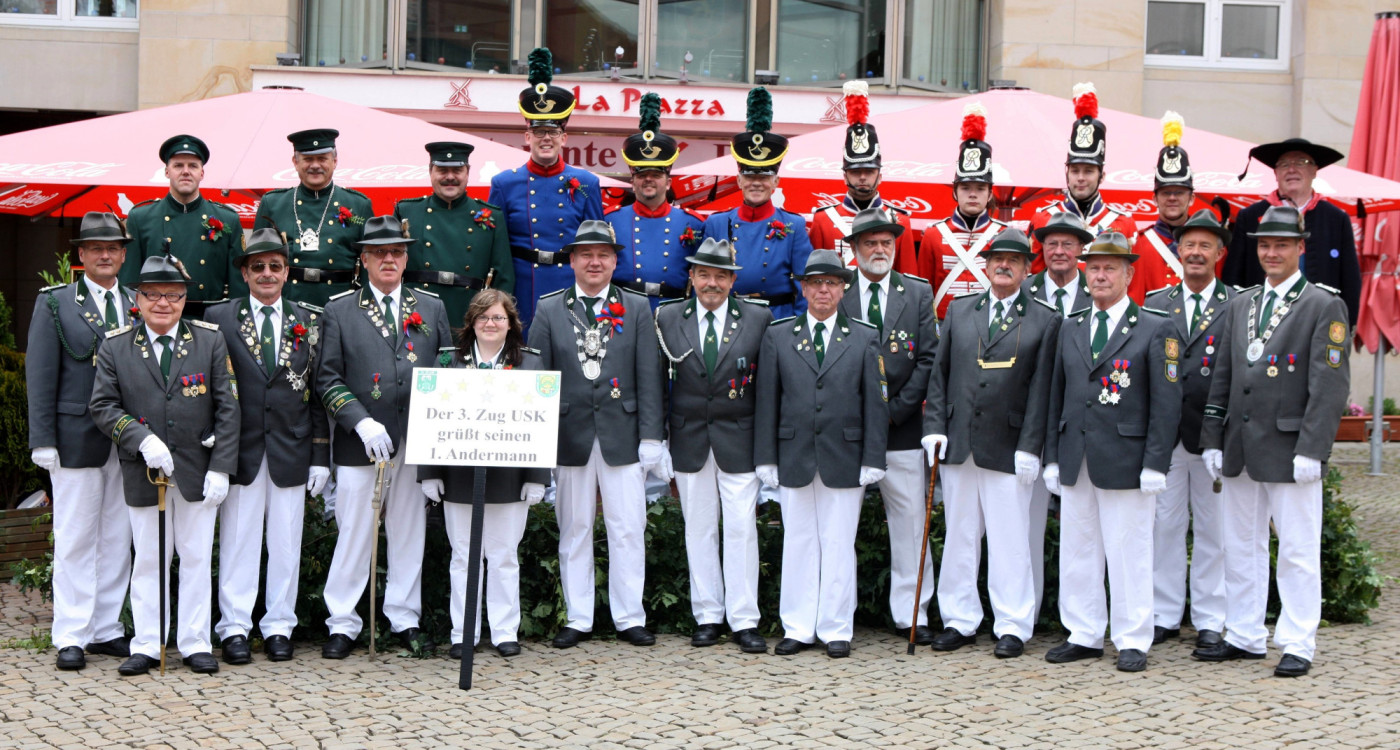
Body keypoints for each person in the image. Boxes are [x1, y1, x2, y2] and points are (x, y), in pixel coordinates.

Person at [1197, 205, 1350, 678]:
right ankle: (1244, 634)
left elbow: (1329, 386)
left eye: (1281, 245)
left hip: (1290, 447)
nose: (1271, 253)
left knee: (1298, 550)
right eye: (1264, 245)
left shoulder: (1322, 304)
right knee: (1240, 545)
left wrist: (1313, 448)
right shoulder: (1241, 303)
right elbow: (1223, 374)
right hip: (1240, 445)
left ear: (1300, 248)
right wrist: (1213, 436)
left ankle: (1298, 641)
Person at [89, 253, 241, 676]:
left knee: (196, 558)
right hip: (144, 471)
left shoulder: (209, 341)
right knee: (149, 560)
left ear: (184, 299)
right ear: (137, 299)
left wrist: (222, 467)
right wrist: (141, 439)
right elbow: (102, 406)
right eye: (153, 294)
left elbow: (229, 407)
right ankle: (147, 644)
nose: (163, 303)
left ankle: (195, 643)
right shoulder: (116, 346)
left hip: (198, 471)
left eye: (172, 295)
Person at [1042, 231, 1181, 673]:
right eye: (1094, 268)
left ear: (1128, 275)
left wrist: (1156, 463)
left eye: (1109, 269)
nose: (1100, 276)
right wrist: (1051, 455)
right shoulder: (1071, 325)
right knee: (1078, 549)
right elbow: (1056, 395)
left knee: (1129, 551)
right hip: (1076, 455)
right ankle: (1083, 633)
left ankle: (1132, 637)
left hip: (1127, 458)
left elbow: (1167, 403)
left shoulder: (1155, 327)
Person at [316, 215, 452, 659]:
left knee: (409, 531)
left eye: (396, 252)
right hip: (362, 442)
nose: (388, 259)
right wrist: (359, 421)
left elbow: (447, 370)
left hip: (415, 439)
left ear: (406, 258)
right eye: (379, 253)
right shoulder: (339, 310)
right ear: (364, 260)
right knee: (355, 532)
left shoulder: (430, 306)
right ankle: (342, 621)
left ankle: (404, 617)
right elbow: (327, 378)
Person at [922, 226, 1060, 659]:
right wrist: (934, 426)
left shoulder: (1045, 319)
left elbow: (1043, 389)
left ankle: (1013, 624)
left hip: (1009, 444)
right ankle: (959, 619)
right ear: (985, 265)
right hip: (960, 441)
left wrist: (1031, 446)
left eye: (1013, 260)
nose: (1003, 265)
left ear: (1026, 269)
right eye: (997, 258)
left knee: (1010, 539)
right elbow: (940, 374)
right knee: (960, 534)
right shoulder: (960, 310)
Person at [527, 220, 666, 649]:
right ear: (571, 260)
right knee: (575, 527)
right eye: (586, 254)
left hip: (623, 433)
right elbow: (538, 379)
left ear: (614, 262)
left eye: (603, 255)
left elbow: (650, 374)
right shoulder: (550, 308)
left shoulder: (636, 306)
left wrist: (652, 435)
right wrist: (540, 442)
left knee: (628, 528)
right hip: (570, 434)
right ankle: (579, 617)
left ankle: (629, 617)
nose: (594, 262)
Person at [204, 229, 330, 664]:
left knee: (286, 544)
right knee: (238, 541)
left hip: (292, 448)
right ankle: (235, 628)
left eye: (275, 266)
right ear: (244, 272)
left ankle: (279, 626)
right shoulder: (220, 317)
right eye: (257, 266)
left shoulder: (309, 319)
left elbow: (317, 392)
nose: (266, 273)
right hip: (240, 449)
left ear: (287, 272)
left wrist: (320, 455)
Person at [755, 249, 888, 659]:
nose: (823, 290)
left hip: (845, 453)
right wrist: (766, 457)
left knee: (838, 542)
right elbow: (767, 400)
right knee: (798, 541)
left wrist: (873, 457)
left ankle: (835, 627)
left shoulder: (864, 336)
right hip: (793, 452)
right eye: (815, 283)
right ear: (803, 289)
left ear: (843, 289)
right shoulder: (779, 335)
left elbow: (876, 401)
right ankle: (797, 626)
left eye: (831, 283)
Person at [27, 211, 135, 671]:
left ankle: (106, 628)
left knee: (117, 535)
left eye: (112, 248)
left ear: (123, 254)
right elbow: (40, 373)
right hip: (75, 436)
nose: (105, 255)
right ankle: (71, 633)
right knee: (74, 537)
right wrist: (42, 438)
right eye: (96, 248)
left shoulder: (137, 301)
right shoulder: (56, 303)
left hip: (128, 439)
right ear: (82, 255)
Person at [654, 238, 772, 653]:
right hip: (688, 439)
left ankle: (744, 619)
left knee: (741, 530)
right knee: (699, 531)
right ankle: (707, 615)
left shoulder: (758, 317)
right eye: (704, 274)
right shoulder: (667, 316)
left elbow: (768, 388)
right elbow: (656, 383)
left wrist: (767, 449)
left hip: (740, 439)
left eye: (721, 276)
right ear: (691, 276)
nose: (712, 283)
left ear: (732, 281)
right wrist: (658, 438)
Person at [419, 290, 549, 660]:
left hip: (511, 476)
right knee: (463, 556)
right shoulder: (448, 362)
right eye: (483, 317)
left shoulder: (529, 363)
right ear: (472, 322)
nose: (490, 324)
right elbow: (429, 416)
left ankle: (505, 631)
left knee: (505, 555)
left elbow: (542, 422)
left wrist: (538, 475)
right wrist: (429, 472)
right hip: (458, 475)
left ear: (511, 323)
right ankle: (464, 633)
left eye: (498, 317)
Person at [835, 207, 937, 644]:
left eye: (886, 243)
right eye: (870, 243)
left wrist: (896, 409)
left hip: (902, 425)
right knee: (839, 527)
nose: (880, 250)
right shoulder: (836, 290)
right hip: (850, 429)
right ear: (854, 249)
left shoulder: (916, 292)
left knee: (910, 522)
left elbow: (928, 358)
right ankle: (837, 617)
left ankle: (912, 614)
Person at [1143, 209, 1236, 650]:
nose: (1196, 253)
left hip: (1213, 435)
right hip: (1167, 435)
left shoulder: (1237, 304)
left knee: (1214, 529)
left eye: (1205, 246)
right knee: (1165, 525)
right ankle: (1163, 614)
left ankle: (1211, 618)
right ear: (1178, 251)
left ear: (1220, 253)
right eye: (1189, 245)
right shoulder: (1157, 303)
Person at [489, 47, 604, 328]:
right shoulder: (504, 184)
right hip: (521, 287)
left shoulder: (587, 183)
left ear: (564, 138)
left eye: (553, 132)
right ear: (527, 136)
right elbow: (495, 247)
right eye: (539, 132)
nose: (546, 138)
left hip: (569, 284)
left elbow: (596, 244)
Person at [1020, 210, 1094, 619]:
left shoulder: (1100, 290)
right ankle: (1026, 616)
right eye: (1052, 244)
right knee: (1026, 526)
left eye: (1068, 243)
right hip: (1027, 424)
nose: (1060, 251)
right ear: (1041, 249)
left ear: (1081, 249)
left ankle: (1077, 618)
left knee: (1082, 530)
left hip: (1080, 423)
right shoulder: (1022, 291)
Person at [1223, 138, 1362, 326]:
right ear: (1275, 173)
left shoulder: (1336, 218)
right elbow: (1233, 277)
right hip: (1260, 320)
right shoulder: (1250, 216)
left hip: (1319, 321)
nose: (1291, 169)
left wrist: (1345, 326)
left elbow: (1350, 280)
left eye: (1301, 162)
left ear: (1314, 171)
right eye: (1284, 164)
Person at [703, 87, 814, 320]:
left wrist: (795, 327)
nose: (756, 183)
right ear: (739, 180)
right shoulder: (716, 223)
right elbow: (703, 279)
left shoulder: (794, 225)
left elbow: (805, 285)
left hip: (776, 320)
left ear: (775, 182)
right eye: (750, 176)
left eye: (763, 177)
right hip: (728, 319)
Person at [120, 135, 244, 317]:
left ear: (202, 173)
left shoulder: (228, 219)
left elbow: (239, 284)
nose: (186, 171)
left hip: (210, 319)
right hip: (158, 318)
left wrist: (236, 321)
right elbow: (129, 281)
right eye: (178, 165)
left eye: (193, 166)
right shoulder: (141, 218)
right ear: (166, 172)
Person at [394, 142, 514, 328]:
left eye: (457, 170)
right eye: (442, 170)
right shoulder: (407, 212)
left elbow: (503, 277)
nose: (450, 177)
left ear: (468, 172)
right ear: (430, 171)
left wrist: (495, 321)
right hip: (416, 314)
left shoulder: (492, 216)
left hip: (469, 316)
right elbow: (391, 266)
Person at [606, 92, 707, 308]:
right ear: (633, 182)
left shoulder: (693, 223)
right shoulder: (610, 220)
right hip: (624, 310)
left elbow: (702, 274)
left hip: (674, 310)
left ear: (668, 182)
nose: (648, 180)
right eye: (642, 175)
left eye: (656, 175)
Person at [807, 81, 918, 276]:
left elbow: (907, 280)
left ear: (880, 176)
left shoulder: (900, 220)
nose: (863, 177)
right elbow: (816, 277)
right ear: (845, 176)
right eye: (856, 172)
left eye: (869, 171)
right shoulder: (823, 220)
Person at [253, 128, 373, 307]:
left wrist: (365, 308)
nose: (315, 165)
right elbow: (256, 261)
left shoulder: (358, 205)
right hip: (286, 304)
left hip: (340, 304)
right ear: (295, 162)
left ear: (335, 161)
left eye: (322, 159)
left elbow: (369, 264)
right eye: (308, 159)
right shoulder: (273, 203)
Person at [1028, 83, 1137, 265]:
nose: (1080, 178)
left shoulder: (1124, 223)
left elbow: (1131, 277)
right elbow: (1032, 275)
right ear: (1067, 173)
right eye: (1075, 170)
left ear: (1102, 176)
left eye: (1088, 171)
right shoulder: (1043, 219)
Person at [918, 102, 1009, 319]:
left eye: (980, 188)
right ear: (955, 192)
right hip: (943, 326)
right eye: (966, 188)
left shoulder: (1003, 234)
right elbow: (923, 292)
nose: (973, 194)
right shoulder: (933, 235)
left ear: (990, 194)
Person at [1128, 113, 1197, 303]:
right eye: (1166, 193)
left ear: (1192, 198)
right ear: (1154, 199)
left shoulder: (1207, 242)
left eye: (1179, 192)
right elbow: (1134, 299)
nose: (1172, 198)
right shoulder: (1139, 243)